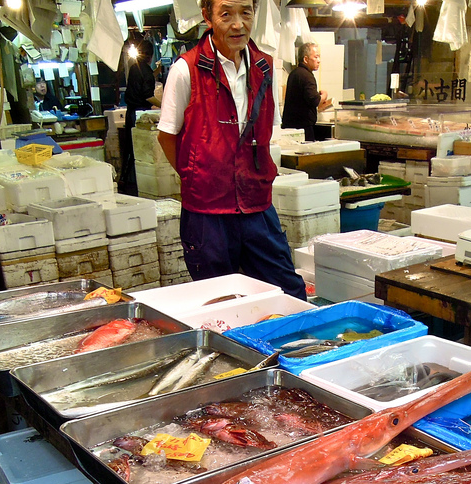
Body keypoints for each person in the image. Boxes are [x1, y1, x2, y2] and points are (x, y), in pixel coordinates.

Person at [156, 0, 306, 299]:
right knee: (220, 300)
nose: (238, 24)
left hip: (256, 205)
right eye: (226, 14)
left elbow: (266, 132)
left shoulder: (266, 67)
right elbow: (166, 136)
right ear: (207, 17)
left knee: (286, 292)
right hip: (207, 212)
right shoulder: (186, 69)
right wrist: (196, 174)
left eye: (245, 13)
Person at [119, 39, 157, 196]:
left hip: (131, 113)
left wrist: (157, 71)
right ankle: (138, 184)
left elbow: (144, 80)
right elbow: (148, 96)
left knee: (130, 148)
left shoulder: (135, 68)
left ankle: (124, 181)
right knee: (140, 150)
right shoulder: (146, 72)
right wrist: (165, 105)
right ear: (150, 56)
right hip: (140, 115)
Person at [282, 41, 331, 141]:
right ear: (305, 59)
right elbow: (314, 100)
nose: (319, 60)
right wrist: (324, 96)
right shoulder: (307, 76)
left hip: (289, 126)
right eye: (316, 57)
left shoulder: (294, 73)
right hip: (303, 128)